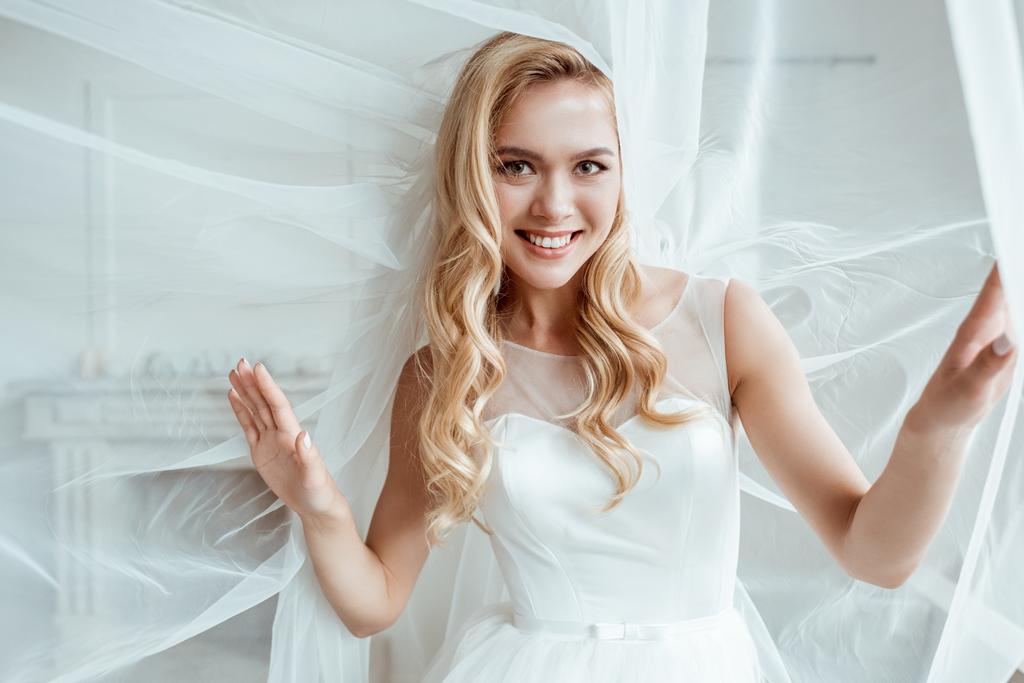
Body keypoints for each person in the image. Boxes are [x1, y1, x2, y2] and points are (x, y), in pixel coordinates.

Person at [225, 32, 1017, 682]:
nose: (554, 205)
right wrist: (318, 502)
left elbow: (873, 551)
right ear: (473, 173)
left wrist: (939, 425)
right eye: (516, 165)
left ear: (622, 170)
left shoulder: (722, 318)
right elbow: (377, 601)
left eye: (588, 166)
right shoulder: (445, 371)